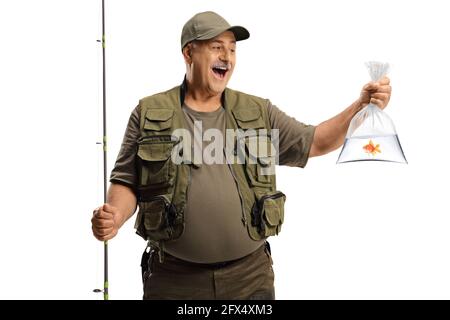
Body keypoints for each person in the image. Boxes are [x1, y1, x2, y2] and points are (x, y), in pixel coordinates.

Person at [91, 11, 391, 300]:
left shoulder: (258, 112)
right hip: (173, 280)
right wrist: (115, 217)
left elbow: (317, 142)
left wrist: (361, 106)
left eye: (232, 50)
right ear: (189, 53)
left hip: (249, 279)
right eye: (216, 47)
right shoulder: (149, 112)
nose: (227, 57)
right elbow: (127, 181)